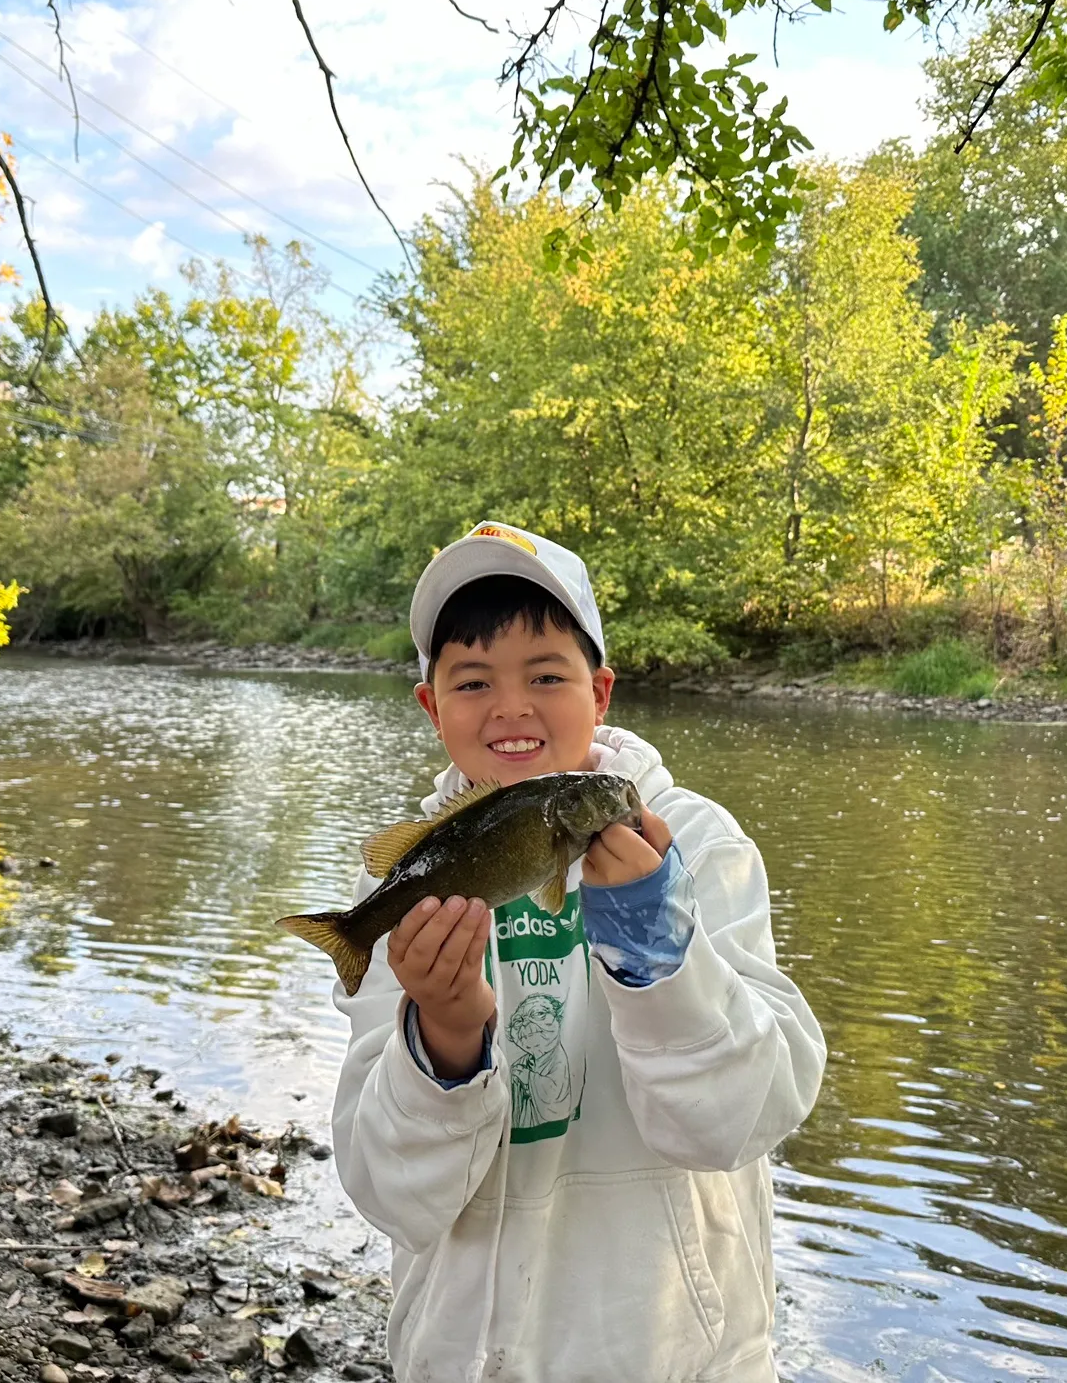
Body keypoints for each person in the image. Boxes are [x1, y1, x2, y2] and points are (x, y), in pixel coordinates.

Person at [331, 520, 827, 1383]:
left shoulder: (698, 847)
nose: (511, 707)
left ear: (600, 693)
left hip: (678, 1357)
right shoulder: (419, 884)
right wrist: (442, 1037)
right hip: (461, 1357)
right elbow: (392, 1195)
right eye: (473, 680)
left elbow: (745, 1119)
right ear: (431, 705)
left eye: (548, 676)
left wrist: (660, 959)